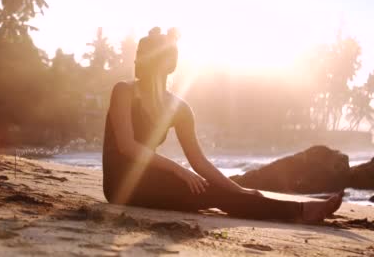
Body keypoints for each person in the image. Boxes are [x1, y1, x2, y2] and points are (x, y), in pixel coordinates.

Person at [102, 27, 342, 223]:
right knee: (215, 195)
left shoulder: (179, 108)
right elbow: (126, 146)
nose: (138, 61)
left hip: (152, 178)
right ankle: (300, 212)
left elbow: (199, 162)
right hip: (120, 185)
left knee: (222, 194)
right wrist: (178, 170)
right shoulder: (124, 91)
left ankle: (294, 209)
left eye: (144, 56)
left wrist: (239, 189)